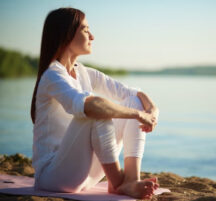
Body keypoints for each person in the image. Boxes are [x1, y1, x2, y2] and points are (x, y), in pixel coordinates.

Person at [30, 7, 159, 199]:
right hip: (53, 176)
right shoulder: (52, 75)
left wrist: (152, 110)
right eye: (85, 29)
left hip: (85, 174)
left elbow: (133, 93)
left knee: (131, 102)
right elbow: (90, 106)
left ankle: (130, 179)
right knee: (95, 111)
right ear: (66, 35)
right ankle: (118, 183)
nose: (92, 36)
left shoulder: (84, 72)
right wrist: (138, 115)